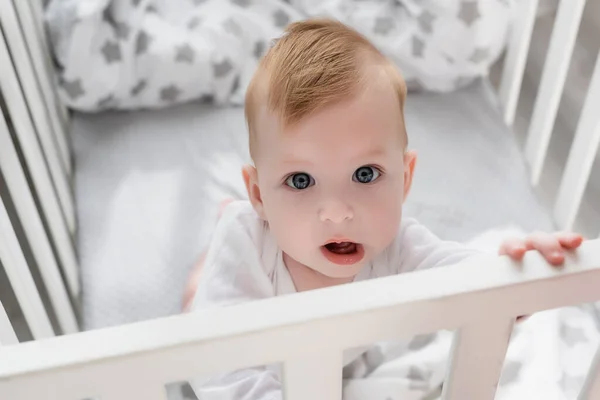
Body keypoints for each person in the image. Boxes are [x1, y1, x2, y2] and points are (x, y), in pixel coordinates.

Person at [184, 18, 584, 399]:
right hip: (252, 345)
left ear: (405, 177)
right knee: (196, 297)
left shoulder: (397, 245)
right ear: (259, 195)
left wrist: (516, 277)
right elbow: (218, 360)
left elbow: (467, 280)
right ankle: (213, 244)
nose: (338, 213)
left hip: (328, 354)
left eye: (364, 174)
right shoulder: (248, 242)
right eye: (300, 181)